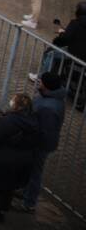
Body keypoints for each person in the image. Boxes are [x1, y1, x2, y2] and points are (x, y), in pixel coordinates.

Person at [0, 93, 40, 222]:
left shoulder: (10, 120)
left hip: (5, 158)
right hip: (23, 160)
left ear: (17, 106)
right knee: (9, 186)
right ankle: (3, 208)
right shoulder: (33, 121)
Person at [13, 73, 67, 213]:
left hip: (39, 144)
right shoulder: (51, 97)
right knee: (30, 169)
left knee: (35, 172)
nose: (39, 83)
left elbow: (45, 131)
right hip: (38, 142)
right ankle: (25, 191)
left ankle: (29, 203)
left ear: (47, 86)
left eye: (41, 82)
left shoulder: (49, 107)